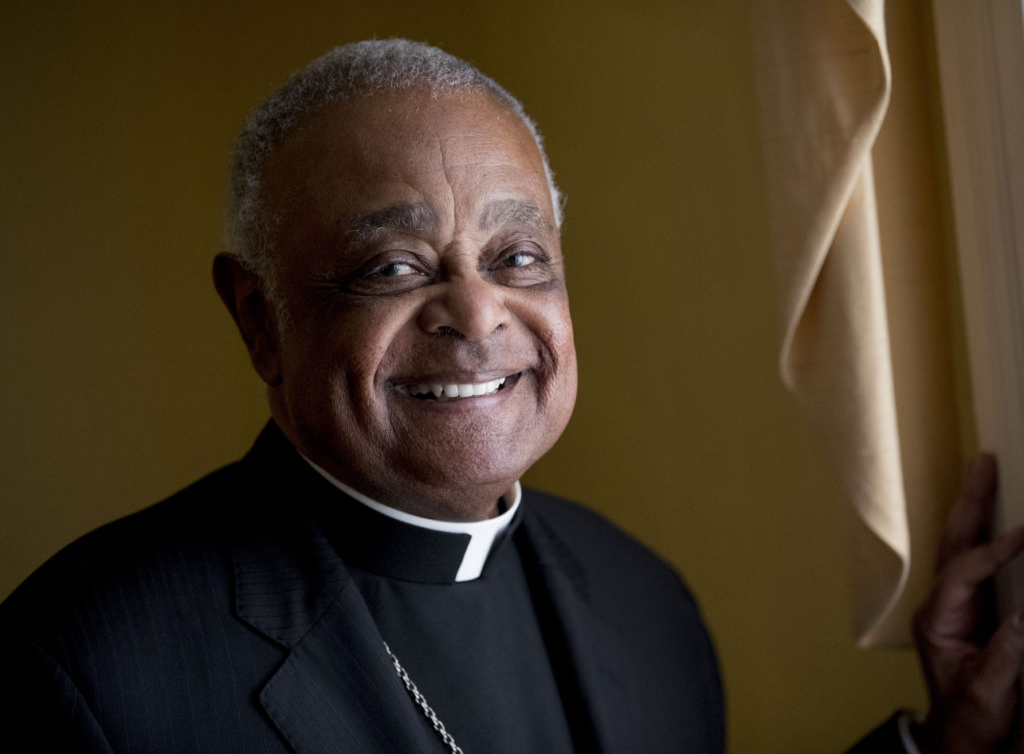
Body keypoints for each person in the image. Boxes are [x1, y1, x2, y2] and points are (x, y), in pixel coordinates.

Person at [0, 38, 1020, 754]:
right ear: (259, 320)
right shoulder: (86, 668)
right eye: (394, 267)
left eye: (518, 256)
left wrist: (940, 747)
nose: (476, 315)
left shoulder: (642, 599)